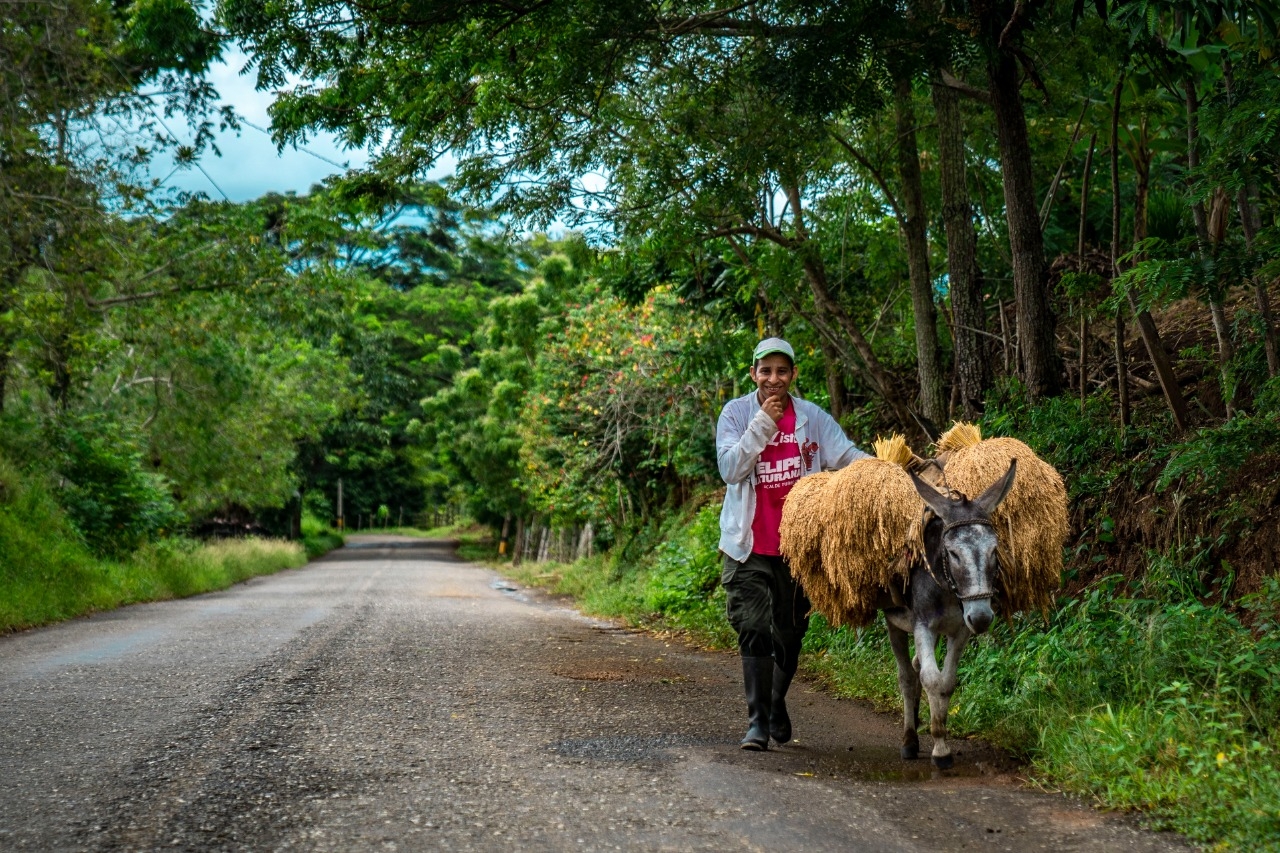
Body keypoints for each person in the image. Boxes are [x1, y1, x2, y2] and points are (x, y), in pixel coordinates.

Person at [716, 337, 870, 750]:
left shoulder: (811, 417)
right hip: (747, 544)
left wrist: (887, 469)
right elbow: (730, 469)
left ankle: (775, 701)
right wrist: (763, 423)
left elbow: (847, 456)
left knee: (790, 633)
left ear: (793, 374)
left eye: (782, 371)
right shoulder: (736, 414)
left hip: (797, 549)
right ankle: (757, 724)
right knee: (752, 627)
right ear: (753, 373)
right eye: (765, 371)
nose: (774, 379)